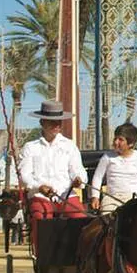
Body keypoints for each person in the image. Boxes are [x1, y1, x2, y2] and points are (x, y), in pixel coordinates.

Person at [18, 101, 88, 242]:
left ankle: (80, 257)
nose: (56, 126)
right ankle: (43, 255)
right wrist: (39, 187)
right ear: (42, 122)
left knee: (82, 219)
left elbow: (77, 170)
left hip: (65, 195)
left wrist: (78, 179)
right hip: (40, 196)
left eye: (59, 122)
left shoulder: (69, 146)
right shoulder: (30, 147)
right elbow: (24, 175)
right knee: (41, 220)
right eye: (52, 122)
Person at [90, 122, 137, 214]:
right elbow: (98, 177)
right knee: (107, 221)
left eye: (120, 140)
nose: (116, 142)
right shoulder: (107, 157)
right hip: (111, 199)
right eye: (115, 139)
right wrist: (95, 197)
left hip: (134, 200)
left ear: (131, 144)